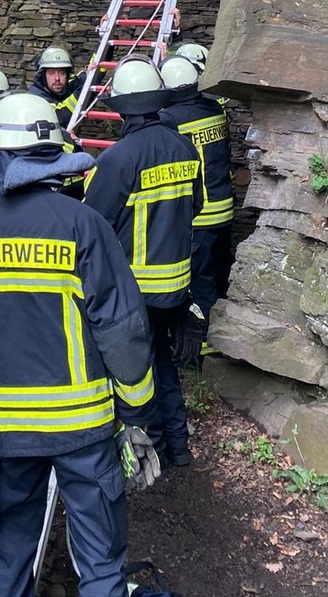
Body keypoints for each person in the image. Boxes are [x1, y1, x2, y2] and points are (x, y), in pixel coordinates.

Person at [0, 91, 158, 597]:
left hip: (7, 425)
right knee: (100, 561)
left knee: (14, 542)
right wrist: (137, 415)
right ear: (56, 156)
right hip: (83, 426)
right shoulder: (84, 224)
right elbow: (122, 327)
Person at [83, 58, 201, 467]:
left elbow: (93, 225)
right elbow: (198, 206)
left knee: (135, 368)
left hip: (136, 288)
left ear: (121, 107)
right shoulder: (185, 147)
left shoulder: (119, 158)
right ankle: (178, 448)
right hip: (177, 284)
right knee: (164, 362)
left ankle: (143, 450)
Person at [160, 51, 234, 322]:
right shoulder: (215, 108)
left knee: (201, 281)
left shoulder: (170, 119)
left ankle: (205, 340)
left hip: (199, 216)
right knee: (222, 272)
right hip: (225, 208)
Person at [27, 45, 86, 130]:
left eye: (62, 73)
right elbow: (58, 115)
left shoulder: (64, 88)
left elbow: (81, 81)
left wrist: (90, 73)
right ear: (43, 76)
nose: (57, 78)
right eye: (51, 73)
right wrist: (83, 93)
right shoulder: (36, 98)